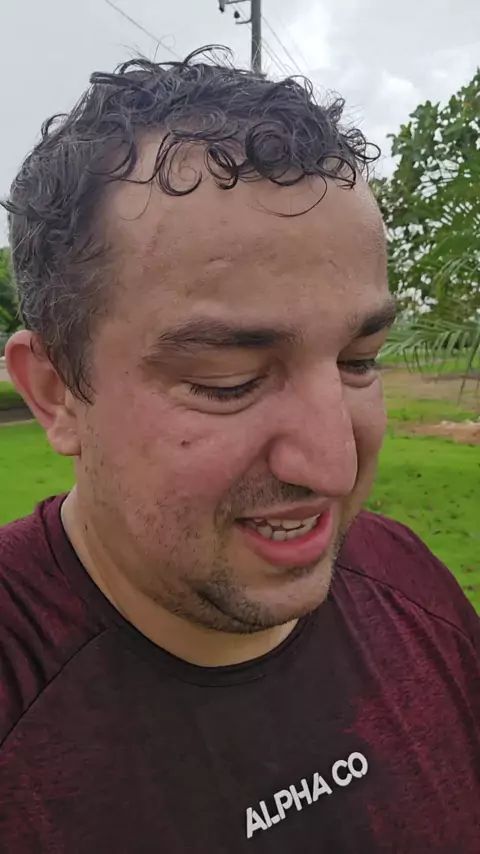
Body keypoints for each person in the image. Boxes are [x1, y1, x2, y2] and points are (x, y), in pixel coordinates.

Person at [0, 47, 478, 853]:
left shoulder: (410, 582)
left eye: (360, 361)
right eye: (229, 381)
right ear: (56, 392)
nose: (334, 467)